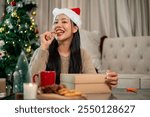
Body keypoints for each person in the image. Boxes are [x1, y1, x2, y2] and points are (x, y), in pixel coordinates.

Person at [29, 8, 118, 88]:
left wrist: (107, 80)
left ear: (75, 28)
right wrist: (43, 47)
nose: (58, 25)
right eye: (55, 22)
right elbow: (31, 82)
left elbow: (92, 81)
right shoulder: (42, 51)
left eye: (64, 21)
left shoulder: (83, 54)